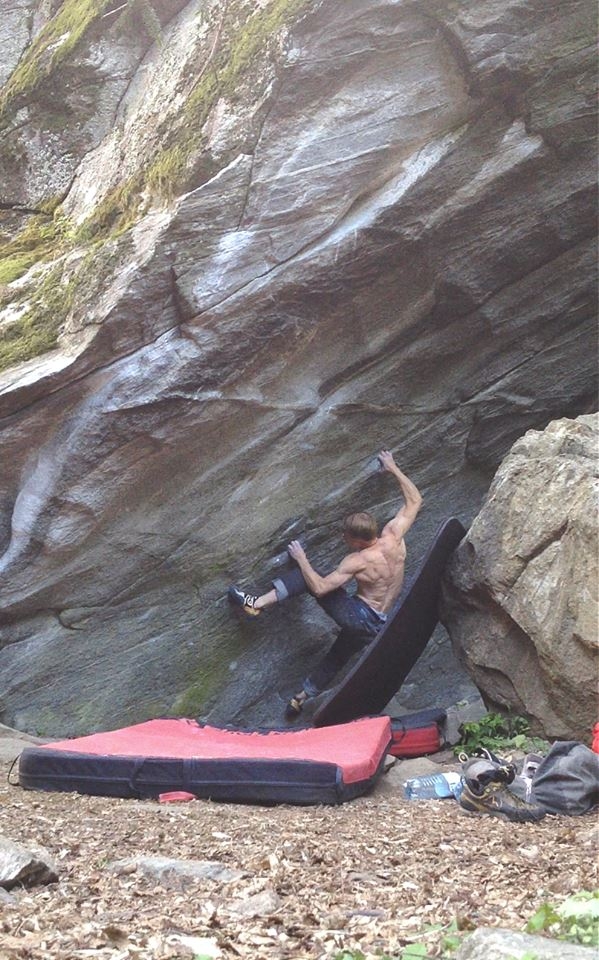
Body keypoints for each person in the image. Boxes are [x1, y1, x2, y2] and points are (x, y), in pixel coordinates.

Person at [228, 450, 423, 718]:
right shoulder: (394, 536)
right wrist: (393, 467)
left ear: (357, 540)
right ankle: (301, 698)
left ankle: (256, 604)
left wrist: (301, 559)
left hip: (360, 616)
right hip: (381, 624)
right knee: (337, 657)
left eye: (346, 536)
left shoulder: (357, 561)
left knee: (307, 576)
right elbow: (415, 499)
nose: (343, 538)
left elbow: (320, 588)